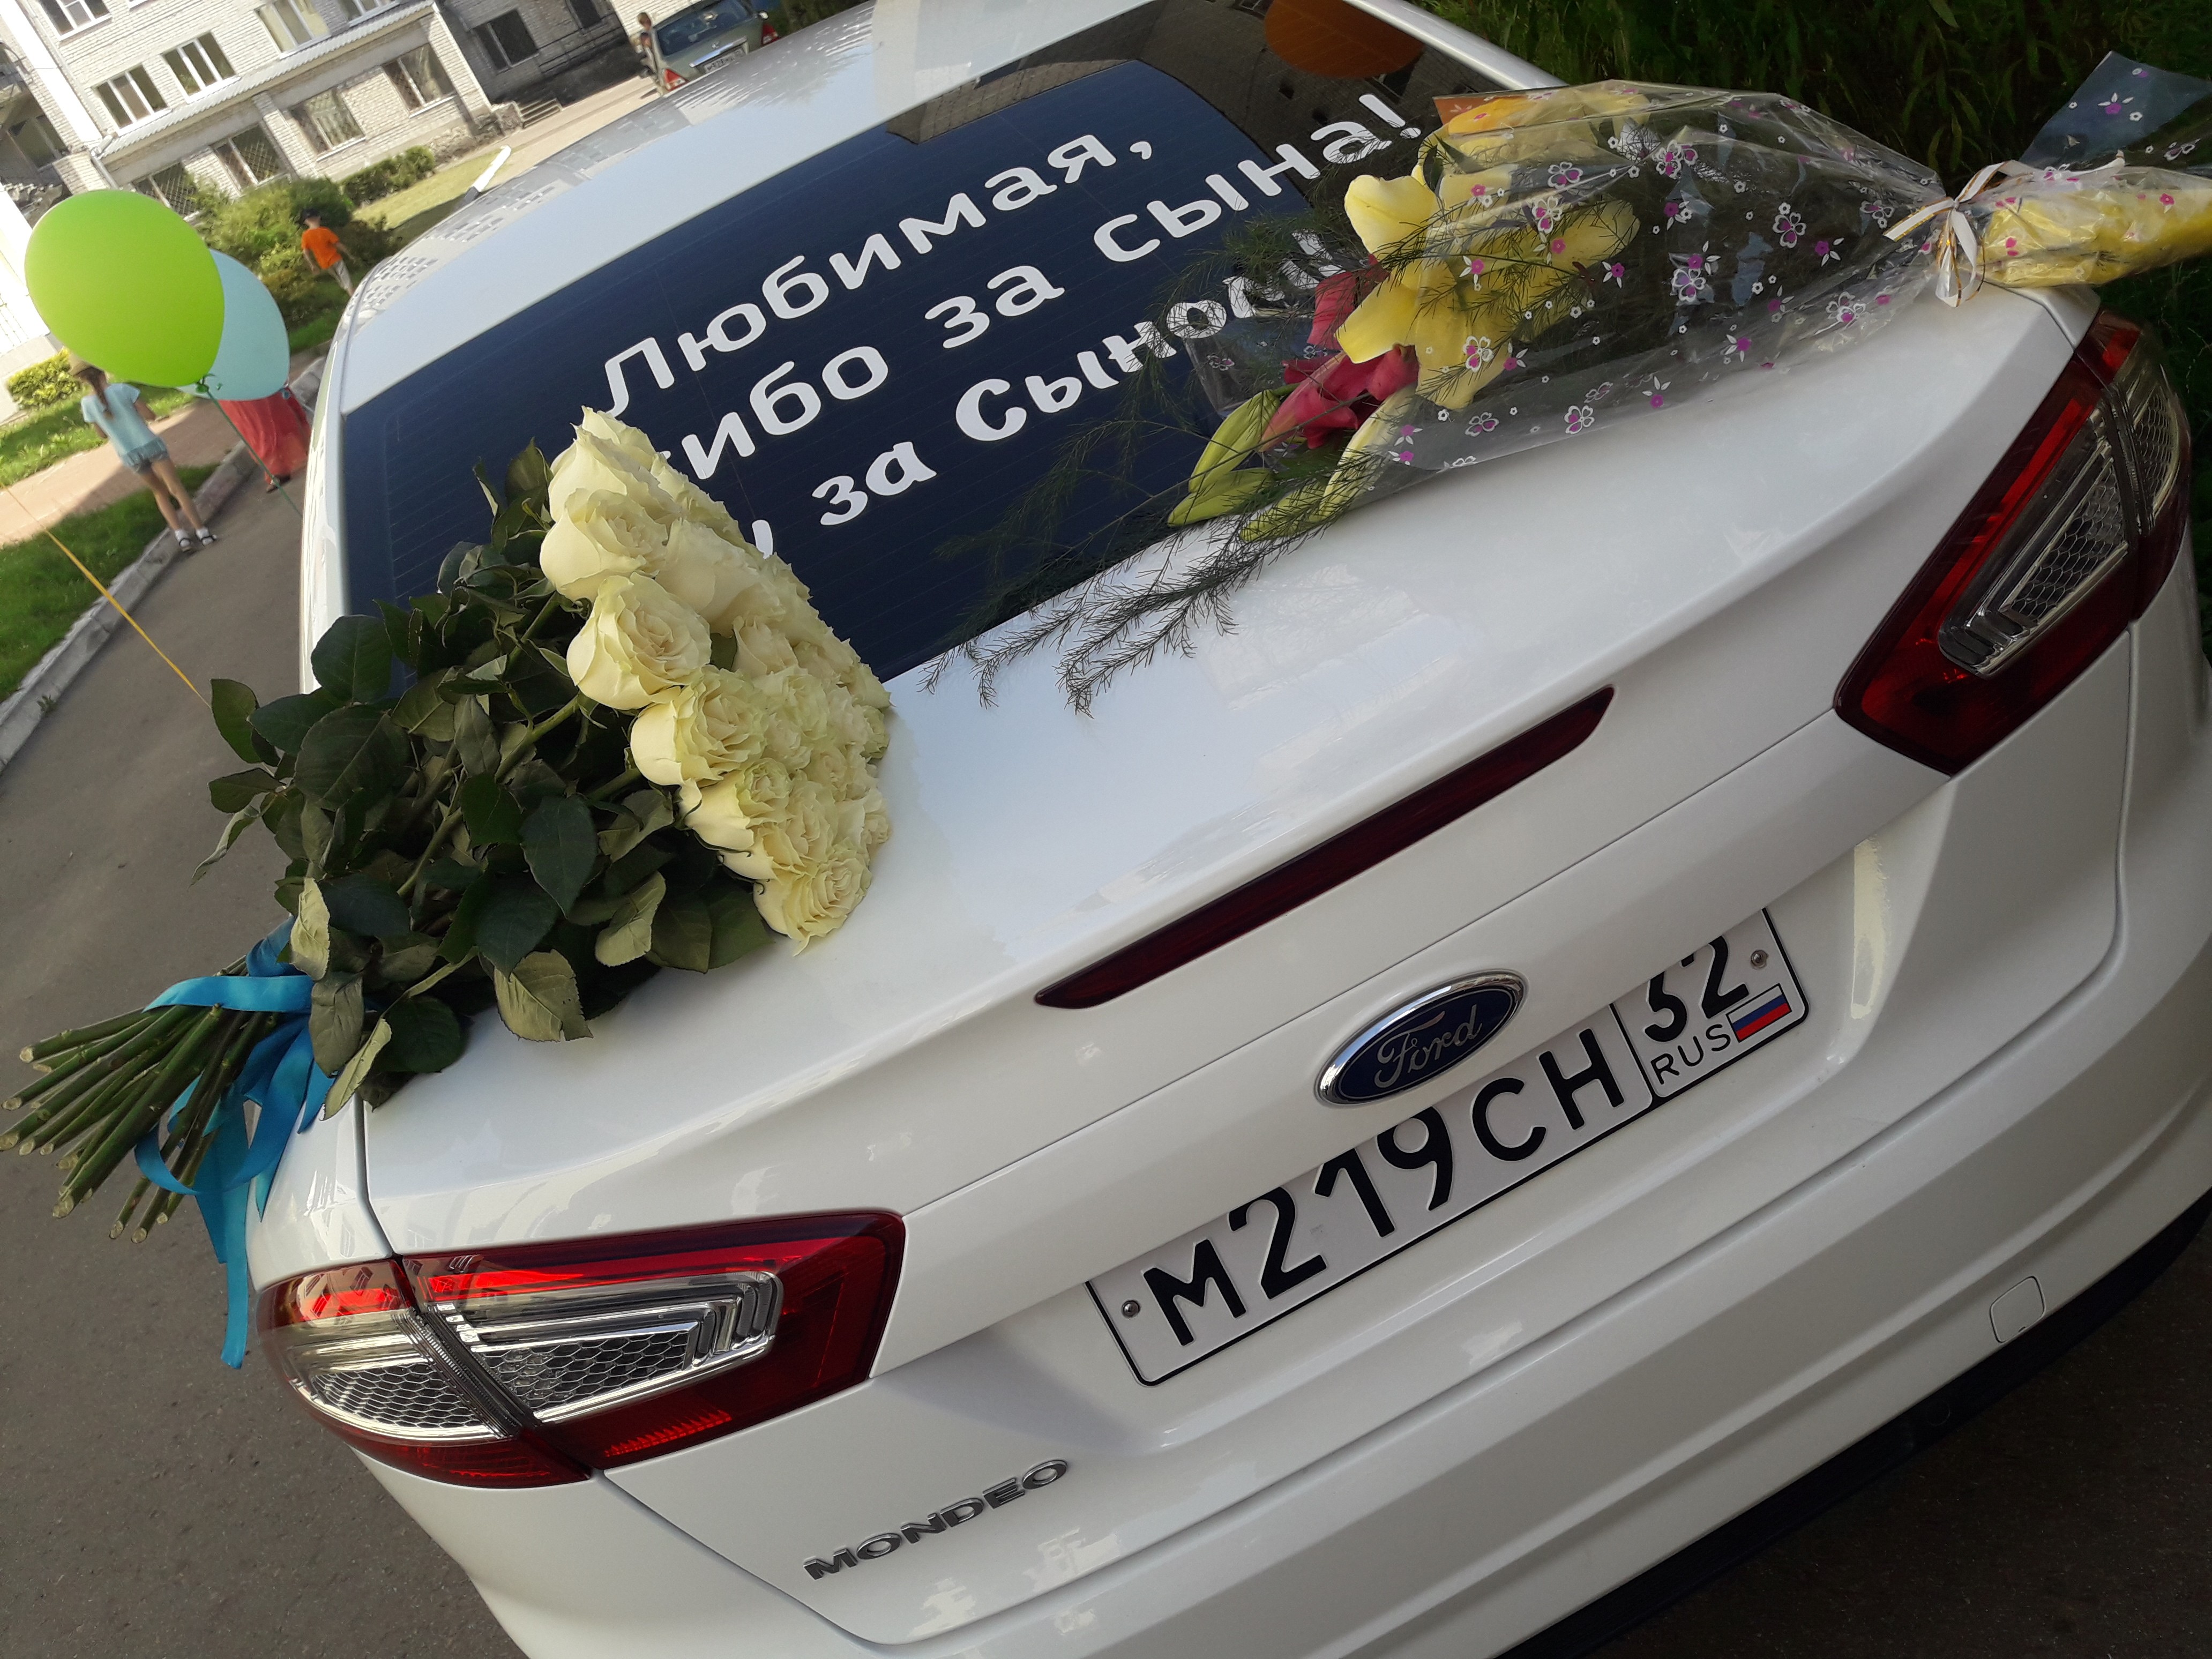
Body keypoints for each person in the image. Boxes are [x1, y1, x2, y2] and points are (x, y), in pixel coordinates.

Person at [72, 358, 213, 552]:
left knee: (159, 493)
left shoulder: (87, 404)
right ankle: (202, 532)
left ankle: (181, 536)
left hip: (128, 454)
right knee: (176, 489)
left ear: (83, 380)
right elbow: (150, 415)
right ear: (102, 369)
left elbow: (102, 435)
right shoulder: (124, 389)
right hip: (149, 444)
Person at [217, 384, 312, 493]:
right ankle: (278, 469)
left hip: (253, 378)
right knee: (250, 423)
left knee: (272, 409)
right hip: (225, 384)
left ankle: (304, 448)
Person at [298, 208, 352, 294]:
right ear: (319, 217)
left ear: (306, 222)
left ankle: (349, 291)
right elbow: (338, 245)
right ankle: (353, 294)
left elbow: (306, 252)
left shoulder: (306, 236)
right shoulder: (325, 231)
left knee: (341, 281)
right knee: (347, 283)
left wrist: (312, 265)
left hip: (324, 264)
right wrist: (349, 254)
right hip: (335, 259)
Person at [637, 10, 667, 92]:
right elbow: (650, 45)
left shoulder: (655, 30)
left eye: (649, 19)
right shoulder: (644, 35)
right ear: (642, 24)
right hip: (656, 66)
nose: (649, 22)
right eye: (646, 22)